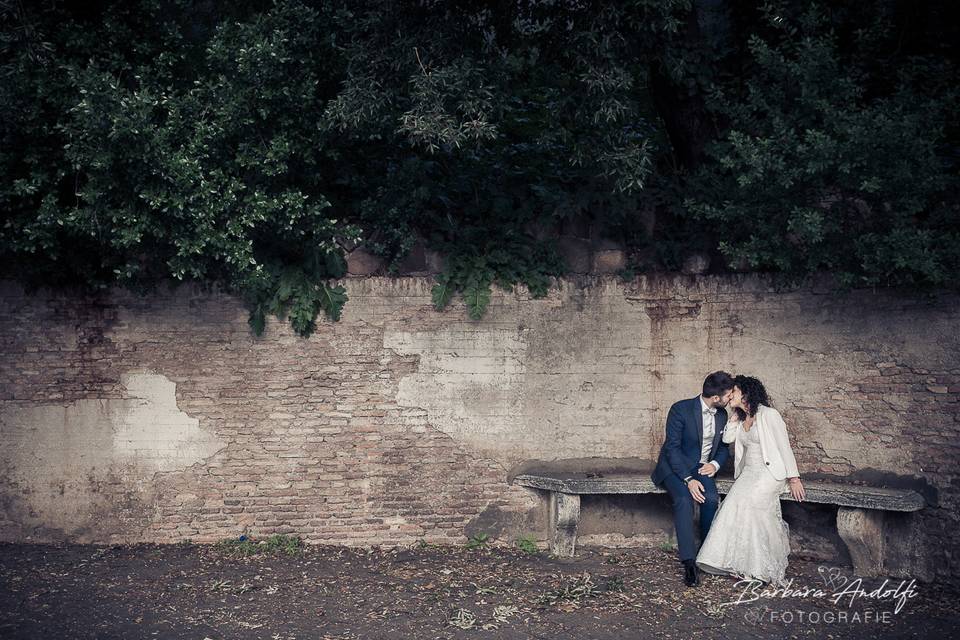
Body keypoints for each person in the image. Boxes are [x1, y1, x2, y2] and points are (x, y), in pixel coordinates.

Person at [696, 375, 806, 587]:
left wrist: (794, 478)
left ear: (745, 393)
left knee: (751, 504)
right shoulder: (739, 417)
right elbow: (727, 440)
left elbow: (784, 447)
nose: (729, 396)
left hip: (769, 472)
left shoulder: (769, 415)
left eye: (733, 392)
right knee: (733, 505)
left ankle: (759, 568)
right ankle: (738, 564)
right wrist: (734, 418)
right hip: (748, 473)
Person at [651, 371, 735, 587]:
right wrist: (688, 479)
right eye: (728, 396)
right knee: (684, 500)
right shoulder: (680, 409)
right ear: (716, 398)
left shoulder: (723, 415)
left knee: (711, 499)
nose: (731, 399)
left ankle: (707, 553)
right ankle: (689, 562)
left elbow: (724, 447)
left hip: (702, 468)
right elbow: (672, 448)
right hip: (674, 467)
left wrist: (714, 464)